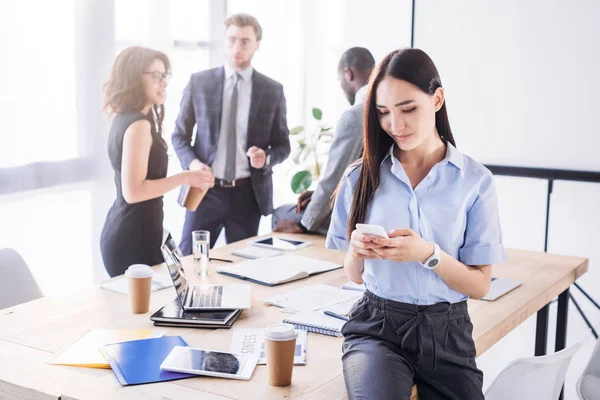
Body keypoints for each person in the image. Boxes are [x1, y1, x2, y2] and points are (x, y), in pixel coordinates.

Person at [326, 48, 506, 400]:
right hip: (377, 327)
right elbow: (355, 274)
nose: (396, 125)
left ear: (437, 99)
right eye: (383, 113)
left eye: (408, 109)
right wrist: (358, 252)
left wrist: (427, 253)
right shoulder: (359, 178)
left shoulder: (475, 182)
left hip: (448, 332)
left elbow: (480, 285)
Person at [172, 13, 290, 253]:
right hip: (205, 191)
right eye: (232, 39)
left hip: (248, 195)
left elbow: (283, 145)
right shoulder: (199, 83)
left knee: (245, 266)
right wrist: (193, 163)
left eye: (245, 41)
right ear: (224, 40)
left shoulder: (272, 91)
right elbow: (179, 136)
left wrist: (265, 157)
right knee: (189, 260)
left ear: (257, 44)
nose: (237, 47)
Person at [100, 47, 214, 278]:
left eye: (165, 76)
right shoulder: (138, 125)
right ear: (134, 77)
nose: (163, 83)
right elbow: (133, 192)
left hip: (136, 229)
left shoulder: (126, 118)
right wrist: (185, 177)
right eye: (156, 76)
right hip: (132, 237)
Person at [272, 47, 375, 235]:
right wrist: (317, 196)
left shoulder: (356, 115)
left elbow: (334, 178)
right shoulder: (385, 107)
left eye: (340, 81)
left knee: (280, 214)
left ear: (348, 73)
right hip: (373, 210)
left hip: (356, 217)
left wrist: (304, 225)